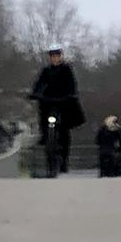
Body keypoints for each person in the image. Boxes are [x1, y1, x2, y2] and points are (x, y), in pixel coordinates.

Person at [29, 44, 86, 173]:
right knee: (44, 118)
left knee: (64, 128)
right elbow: (39, 84)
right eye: (52, 56)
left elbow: (72, 84)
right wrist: (36, 93)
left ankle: (64, 159)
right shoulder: (46, 70)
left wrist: (71, 95)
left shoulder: (66, 69)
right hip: (48, 102)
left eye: (57, 56)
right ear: (50, 58)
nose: (55, 58)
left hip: (63, 101)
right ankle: (45, 137)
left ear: (60, 56)